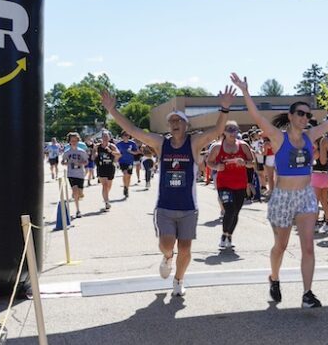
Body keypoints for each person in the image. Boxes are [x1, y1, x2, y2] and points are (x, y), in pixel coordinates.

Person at [231, 72, 328, 308]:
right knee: (280, 246)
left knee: (308, 246)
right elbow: (257, 117)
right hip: (282, 198)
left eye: (307, 114)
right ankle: (274, 277)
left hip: (305, 197)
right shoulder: (278, 138)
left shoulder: (311, 135)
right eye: (300, 113)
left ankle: (307, 293)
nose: (304, 117)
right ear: (291, 116)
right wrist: (245, 91)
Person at [101, 86, 236, 297]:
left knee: (185, 249)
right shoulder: (161, 143)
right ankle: (167, 257)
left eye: (178, 121)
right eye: (171, 121)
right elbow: (135, 131)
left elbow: (217, 131)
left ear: (185, 124)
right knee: (166, 245)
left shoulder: (193, 143)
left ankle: (179, 279)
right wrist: (112, 110)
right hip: (165, 206)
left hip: (188, 207)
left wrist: (224, 108)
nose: (174, 124)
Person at [206, 120, 255, 250]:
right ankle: (223, 235)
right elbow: (209, 162)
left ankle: (229, 235)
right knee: (229, 209)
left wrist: (244, 162)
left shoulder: (243, 146)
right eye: (229, 130)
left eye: (235, 130)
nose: (232, 133)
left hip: (240, 183)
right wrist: (217, 166)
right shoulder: (217, 147)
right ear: (224, 132)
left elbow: (252, 163)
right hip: (224, 184)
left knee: (236, 212)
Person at [61, 132, 89, 218]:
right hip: (71, 174)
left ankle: (79, 194)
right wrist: (66, 163)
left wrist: (79, 162)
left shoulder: (82, 151)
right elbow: (63, 162)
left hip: (80, 174)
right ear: (69, 141)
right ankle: (78, 210)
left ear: (78, 141)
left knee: (79, 194)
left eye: (75, 140)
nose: (73, 142)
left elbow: (86, 162)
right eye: (72, 140)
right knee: (75, 191)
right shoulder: (67, 152)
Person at [311, 132, 328, 233]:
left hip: (316, 176)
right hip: (326, 176)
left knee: (315, 202)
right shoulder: (327, 151)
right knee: (325, 201)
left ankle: (315, 223)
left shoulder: (315, 152)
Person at [92, 130, 120, 211]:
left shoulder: (112, 146)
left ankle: (106, 197)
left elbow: (119, 154)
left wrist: (111, 151)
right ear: (101, 137)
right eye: (103, 136)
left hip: (110, 167)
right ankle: (107, 202)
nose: (105, 138)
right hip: (101, 167)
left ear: (109, 138)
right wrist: (95, 153)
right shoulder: (97, 146)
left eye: (106, 137)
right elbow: (92, 157)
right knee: (104, 185)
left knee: (108, 186)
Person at [116, 132, 139, 198]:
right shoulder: (119, 144)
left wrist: (131, 152)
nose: (126, 136)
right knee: (125, 174)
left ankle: (126, 188)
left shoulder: (132, 143)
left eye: (128, 135)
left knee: (129, 176)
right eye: (125, 135)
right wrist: (116, 159)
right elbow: (115, 152)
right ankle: (125, 186)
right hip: (122, 162)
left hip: (130, 162)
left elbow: (137, 152)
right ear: (122, 136)